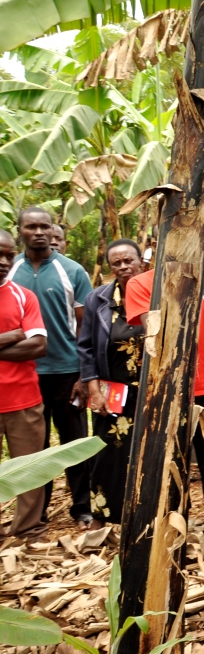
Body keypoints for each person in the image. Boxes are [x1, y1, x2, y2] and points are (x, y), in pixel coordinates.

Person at [125, 244, 204, 536]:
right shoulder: (139, 284)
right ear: (158, 245)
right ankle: (173, 529)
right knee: (170, 460)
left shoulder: (202, 278)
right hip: (166, 387)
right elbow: (151, 329)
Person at [11, 207, 93, 525]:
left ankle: (83, 508)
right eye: (31, 227)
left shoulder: (72, 271)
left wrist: (86, 374)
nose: (39, 232)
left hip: (67, 372)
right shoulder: (11, 270)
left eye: (45, 226)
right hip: (26, 375)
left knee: (75, 443)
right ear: (20, 231)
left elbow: (86, 328)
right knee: (35, 449)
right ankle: (37, 513)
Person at [77, 239, 145, 530]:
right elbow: (86, 348)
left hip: (150, 391)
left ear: (141, 262)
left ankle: (146, 513)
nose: (123, 267)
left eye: (128, 260)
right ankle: (103, 516)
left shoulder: (157, 294)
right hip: (112, 390)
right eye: (116, 263)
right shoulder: (99, 299)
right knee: (107, 453)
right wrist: (93, 390)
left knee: (146, 451)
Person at [0, 229, 48, 539]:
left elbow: (38, 346)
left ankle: (27, 531)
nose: (4, 262)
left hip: (23, 399)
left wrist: (22, 338)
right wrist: (11, 336)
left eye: (8, 255)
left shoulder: (22, 295)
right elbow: (24, 340)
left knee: (29, 471)